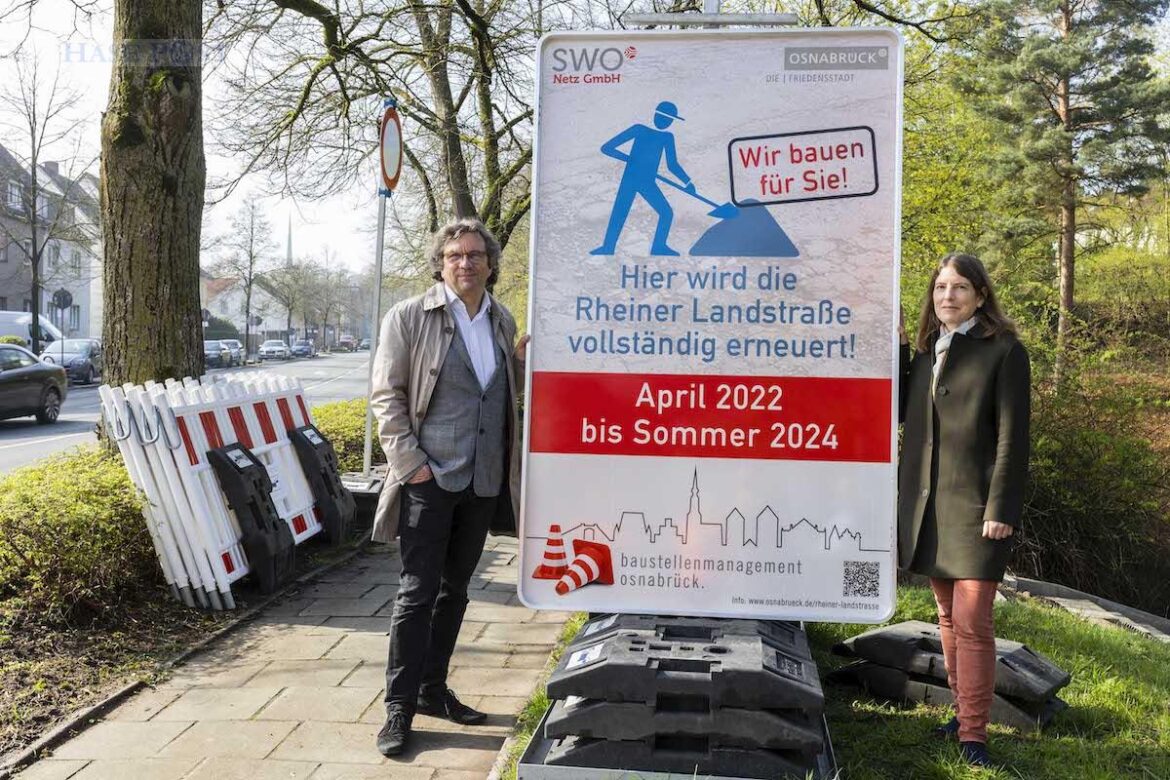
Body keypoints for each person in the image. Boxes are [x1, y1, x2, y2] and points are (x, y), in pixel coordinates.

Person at [369, 218, 528, 757]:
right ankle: (399, 707)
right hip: (429, 479)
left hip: (483, 481)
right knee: (416, 593)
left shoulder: (503, 321)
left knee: (454, 592)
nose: (466, 263)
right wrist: (412, 464)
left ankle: (433, 690)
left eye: (476, 255)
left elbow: (502, 395)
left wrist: (523, 366)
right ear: (441, 262)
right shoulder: (411, 316)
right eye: (456, 255)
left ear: (490, 264)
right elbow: (386, 397)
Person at [898, 252, 1030, 769]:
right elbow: (900, 412)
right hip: (928, 508)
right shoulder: (929, 352)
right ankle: (960, 714)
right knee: (948, 617)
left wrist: (1001, 507)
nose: (947, 296)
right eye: (940, 287)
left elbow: (1012, 441)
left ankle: (974, 734)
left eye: (958, 287)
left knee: (973, 620)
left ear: (979, 294)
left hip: (977, 509)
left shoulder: (1004, 351)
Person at [590, 101, 695, 256]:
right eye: (664, 118)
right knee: (619, 213)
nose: (665, 122)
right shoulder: (639, 130)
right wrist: (629, 159)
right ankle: (608, 247)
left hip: (646, 182)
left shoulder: (667, 137)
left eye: (669, 120)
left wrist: (688, 181)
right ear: (655, 116)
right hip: (631, 180)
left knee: (666, 213)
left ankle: (658, 247)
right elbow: (607, 148)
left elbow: (672, 165)